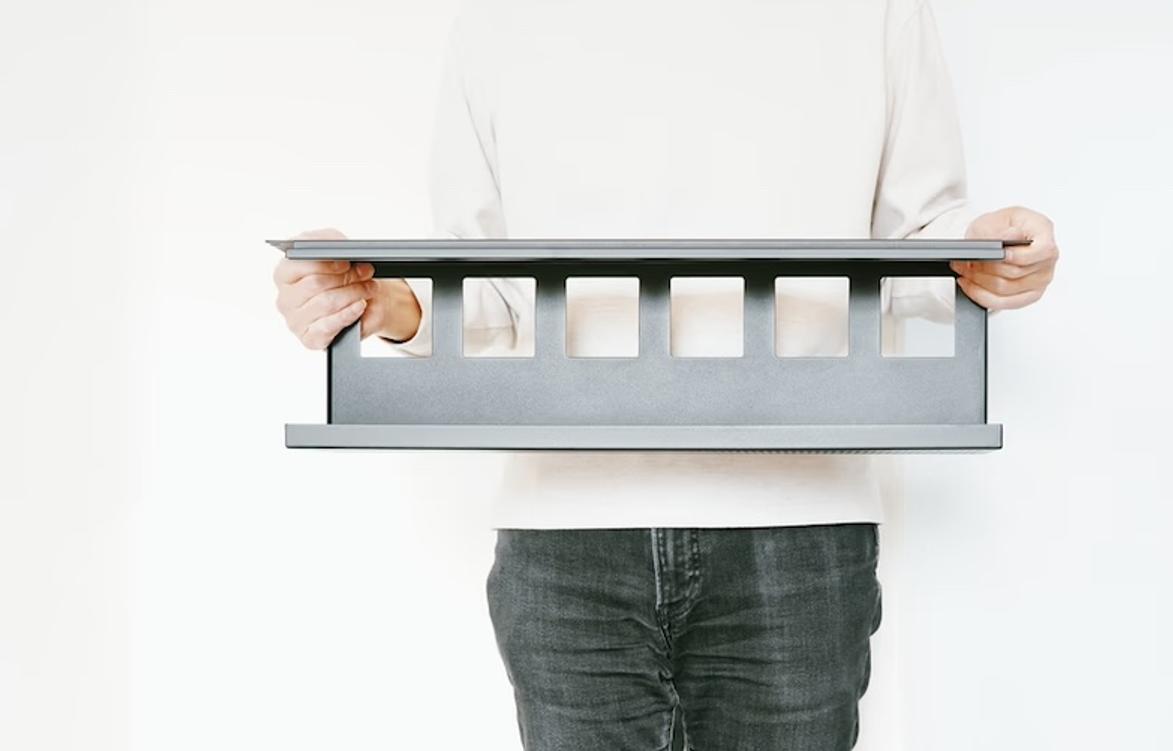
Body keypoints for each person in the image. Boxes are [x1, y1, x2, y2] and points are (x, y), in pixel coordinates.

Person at [271, 0, 1059, 748]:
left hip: (797, 521)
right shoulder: (500, 17)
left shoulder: (875, 11)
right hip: (568, 530)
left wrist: (979, 255)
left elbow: (917, 241)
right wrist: (387, 302)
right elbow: (491, 286)